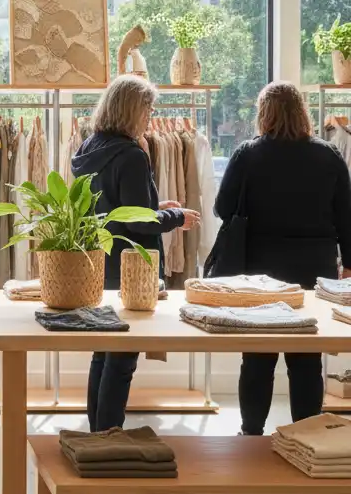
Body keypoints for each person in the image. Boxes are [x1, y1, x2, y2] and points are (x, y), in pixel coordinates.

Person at [214, 81, 351, 436]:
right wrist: (348, 265)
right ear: (301, 112)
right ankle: (306, 439)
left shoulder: (248, 154)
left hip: (259, 271)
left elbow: (222, 208)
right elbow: (347, 217)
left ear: (264, 114)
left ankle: (251, 436)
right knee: (306, 360)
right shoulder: (328, 155)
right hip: (314, 268)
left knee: (257, 358)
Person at [71, 76, 200, 431]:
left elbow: (117, 208)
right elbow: (140, 223)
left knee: (104, 352)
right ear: (131, 109)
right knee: (123, 358)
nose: (151, 114)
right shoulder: (130, 155)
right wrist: (177, 217)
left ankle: (97, 433)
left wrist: (157, 205)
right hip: (131, 266)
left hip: (100, 262)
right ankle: (110, 436)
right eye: (147, 107)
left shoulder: (89, 149)